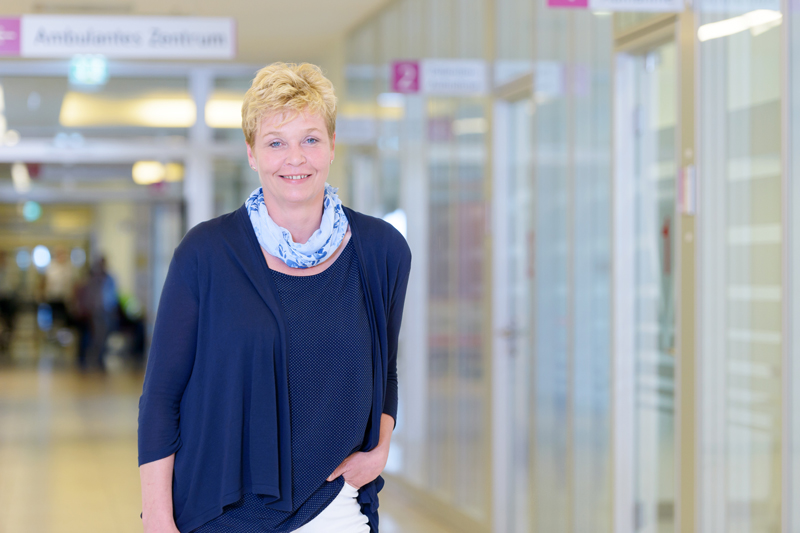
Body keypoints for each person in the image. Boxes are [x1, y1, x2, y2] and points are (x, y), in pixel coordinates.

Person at [138, 63, 412, 533]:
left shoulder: (381, 251)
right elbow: (162, 397)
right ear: (252, 153)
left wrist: (380, 448)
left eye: (310, 139)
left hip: (335, 506)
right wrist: (158, 520)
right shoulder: (205, 254)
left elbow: (384, 369)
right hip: (220, 511)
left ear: (330, 146)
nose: (295, 158)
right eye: (275, 142)